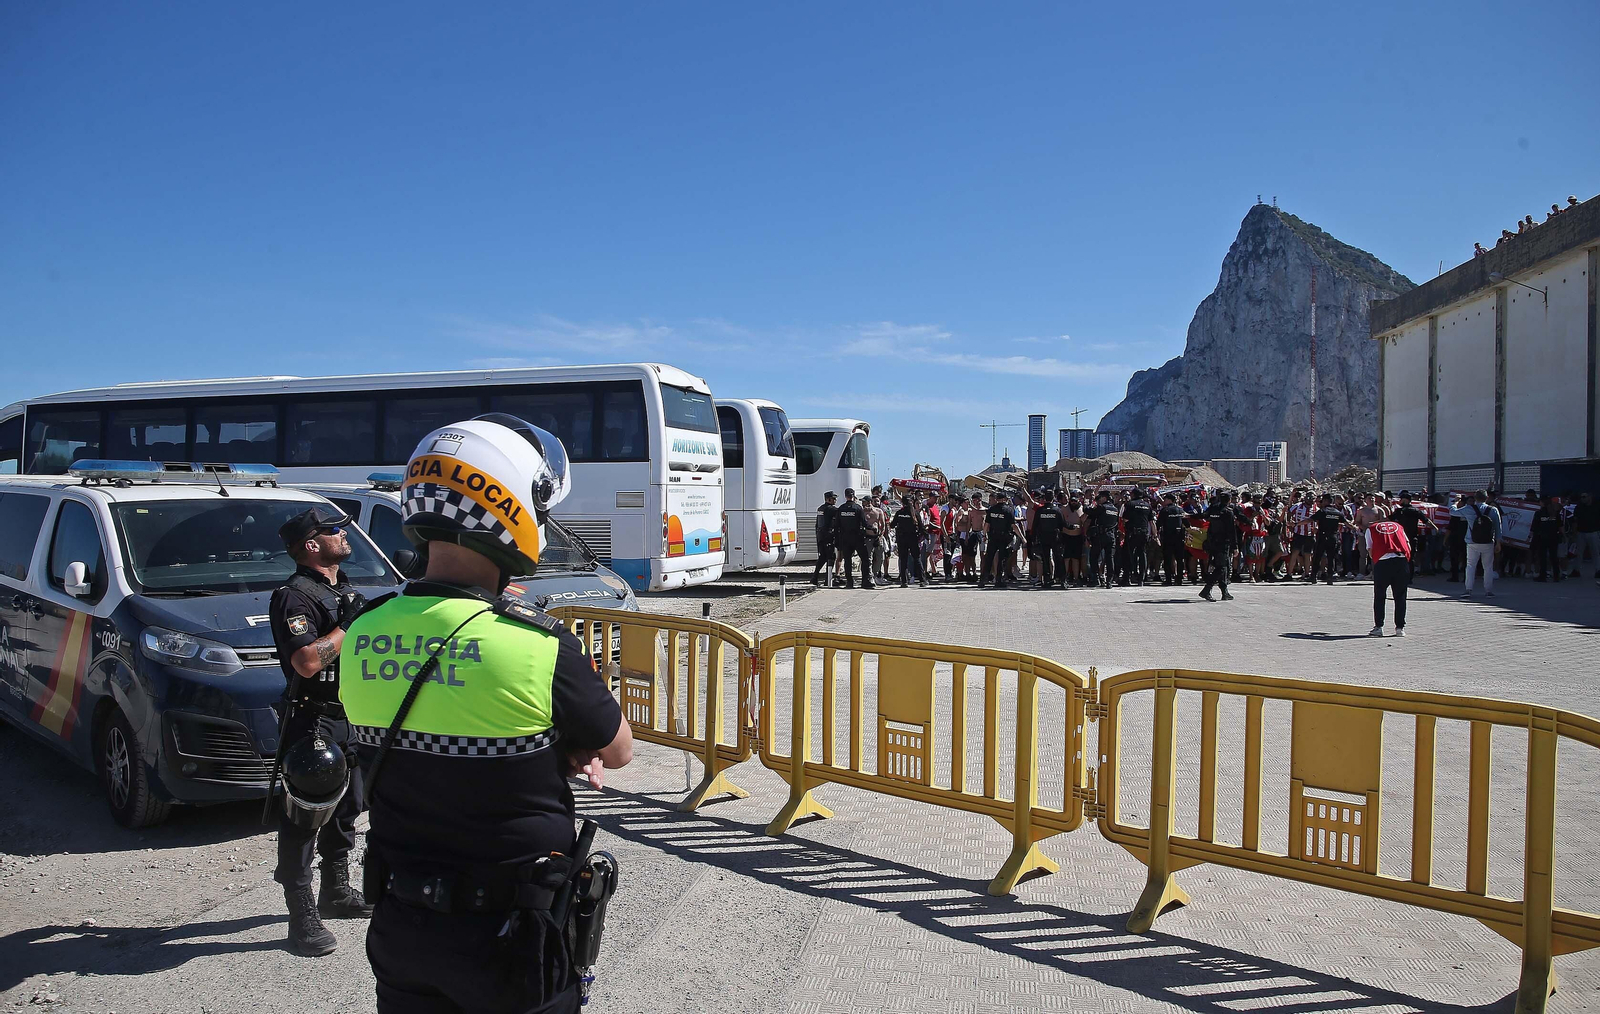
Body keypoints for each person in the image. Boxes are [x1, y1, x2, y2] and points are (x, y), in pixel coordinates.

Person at [341, 413, 633, 1014]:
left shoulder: (364, 631)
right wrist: (560, 744)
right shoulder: (536, 644)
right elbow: (619, 748)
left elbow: (429, 727)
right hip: (510, 935)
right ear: (512, 509)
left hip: (402, 922)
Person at [268, 503, 374, 957]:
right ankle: (301, 915)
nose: (345, 536)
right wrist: (349, 626)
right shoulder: (294, 596)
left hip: (348, 713)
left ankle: (336, 889)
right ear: (312, 545)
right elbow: (307, 662)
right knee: (305, 816)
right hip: (311, 717)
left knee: (349, 804)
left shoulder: (342, 588)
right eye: (336, 531)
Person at [1367, 516, 1413, 637]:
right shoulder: (1399, 527)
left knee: (1380, 595)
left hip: (1383, 562)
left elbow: (1370, 550)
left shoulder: (1371, 528)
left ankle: (1379, 627)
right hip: (1401, 560)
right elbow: (1408, 545)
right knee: (1400, 596)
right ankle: (1400, 628)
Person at [1454, 490, 1500, 597]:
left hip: (1472, 542)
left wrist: (1456, 502)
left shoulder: (1469, 508)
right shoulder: (1493, 510)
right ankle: (1488, 591)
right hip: (1488, 542)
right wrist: (1498, 542)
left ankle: (1468, 590)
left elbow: (1452, 511)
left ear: (1475, 498)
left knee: (1470, 566)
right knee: (1488, 567)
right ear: (1487, 497)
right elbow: (1498, 527)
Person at [1198, 491, 1237, 602]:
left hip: (1212, 542)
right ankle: (1206, 590)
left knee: (1222, 567)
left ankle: (1224, 592)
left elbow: (1204, 516)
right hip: (1223, 543)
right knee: (1221, 567)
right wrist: (1235, 546)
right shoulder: (1228, 512)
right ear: (1229, 500)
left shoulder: (1214, 508)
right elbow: (1231, 531)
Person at [1389, 491, 1436, 580]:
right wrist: (1435, 528)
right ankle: (1409, 577)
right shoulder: (1416, 511)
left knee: (1400, 557)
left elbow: (1388, 520)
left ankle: (1401, 576)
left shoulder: (1399, 511)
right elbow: (1426, 521)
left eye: (1401, 499)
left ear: (1405, 500)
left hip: (1401, 538)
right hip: (1412, 537)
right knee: (1410, 557)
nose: (1400, 501)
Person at [834, 488, 875, 589]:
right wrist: (872, 528)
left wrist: (837, 540)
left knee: (847, 561)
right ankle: (865, 581)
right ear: (853, 496)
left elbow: (836, 526)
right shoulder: (857, 508)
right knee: (865, 559)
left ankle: (849, 583)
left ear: (845, 496)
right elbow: (864, 523)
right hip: (857, 538)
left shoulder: (841, 508)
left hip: (845, 538)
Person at [977, 491, 1015, 588]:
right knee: (1001, 559)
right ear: (1004, 499)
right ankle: (998, 580)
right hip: (1004, 537)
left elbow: (987, 524)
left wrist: (984, 535)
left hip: (993, 537)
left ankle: (983, 579)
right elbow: (1013, 525)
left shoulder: (991, 510)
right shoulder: (1008, 510)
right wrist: (1023, 538)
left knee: (989, 558)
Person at [1308, 494, 1346, 585]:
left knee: (1317, 557)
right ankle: (1330, 578)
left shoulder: (1322, 511)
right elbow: (1346, 522)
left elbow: (1310, 520)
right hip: (1333, 537)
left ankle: (1313, 577)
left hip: (1322, 536)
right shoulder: (1337, 512)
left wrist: (1297, 524)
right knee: (1331, 558)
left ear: (1325, 501)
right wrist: (1354, 527)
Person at [1030, 491, 1064, 589]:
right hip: (1055, 538)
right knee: (1058, 559)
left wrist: (1033, 538)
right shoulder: (1057, 510)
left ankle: (1047, 580)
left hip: (1043, 538)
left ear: (1044, 498)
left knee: (1045, 559)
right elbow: (1063, 524)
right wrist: (1072, 527)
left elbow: (1035, 525)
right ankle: (1062, 580)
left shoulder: (1040, 511)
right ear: (1053, 498)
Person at [1120, 489, 1154, 586]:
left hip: (1132, 533)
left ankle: (1127, 578)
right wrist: (1155, 535)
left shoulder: (1130, 504)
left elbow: (1125, 519)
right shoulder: (1147, 505)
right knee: (1142, 555)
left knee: (1128, 555)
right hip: (1144, 533)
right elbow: (1151, 522)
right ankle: (1141, 579)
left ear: (1133, 495)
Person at [1087, 492, 1120, 589]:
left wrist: (1092, 503)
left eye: (1100, 498)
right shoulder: (1115, 509)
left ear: (1104, 498)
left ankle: (1096, 578)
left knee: (1093, 556)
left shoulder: (1102, 507)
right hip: (1111, 535)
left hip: (1100, 535)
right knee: (1110, 559)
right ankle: (1109, 581)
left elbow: (1088, 511)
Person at [891, 494, 926, 587]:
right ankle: (922, 580)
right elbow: (922, 527)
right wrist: (926, 537)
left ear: (902, 502)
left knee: (903, 560)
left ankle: (904, 582)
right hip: (913, 538)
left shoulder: (899, 513)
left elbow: (892, 524)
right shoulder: (915, 513)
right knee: (917, 559)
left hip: (902, 539)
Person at [1530, 494, 1565, 582]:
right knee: (1554, 557)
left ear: (1542, 503)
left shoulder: (1539, 513)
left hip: (1542, 538)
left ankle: (1543, 576)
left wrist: (1530, 537)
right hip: (1553, 537)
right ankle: (1556, 576)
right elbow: (1560, 526)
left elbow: (1534, 527)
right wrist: (1563, 535)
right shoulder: (1555, 513)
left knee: (1543, 557)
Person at [1156, 493, 1188, 585]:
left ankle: (1168, 579)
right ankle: (1179, 579)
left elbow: (1159, 524)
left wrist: (1156, 534)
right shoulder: (1180, 510)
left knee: (1168, 559)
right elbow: (1186, 523)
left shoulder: (1165, 510)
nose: (1164, 501)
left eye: (1165, 499)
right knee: (1179, 559)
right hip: (1179, 537)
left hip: (1168, 537)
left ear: (1170, 500)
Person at [811, 491, 839, 587]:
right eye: (833, 499)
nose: (835, 500)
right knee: (831, 557)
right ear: (828, 499)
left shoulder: (820, 508)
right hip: (828, 536)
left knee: (822, 557)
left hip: (820, 536)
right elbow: (839, 512)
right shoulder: (831, 509)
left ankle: (814, 577)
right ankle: (828, 579)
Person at [1573, 491, 1600, 585]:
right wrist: (1575, 532)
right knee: (1579, 552)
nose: (1582, 499)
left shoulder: (1596, 506)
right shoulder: (1579, 507)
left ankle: (1598, 570)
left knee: (1595, 552)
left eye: (1584, 497)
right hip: (1581, 532)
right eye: (1581, 497)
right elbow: (1575, 519)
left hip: (1593, 532)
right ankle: (1576, 570)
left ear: (1590, 497)